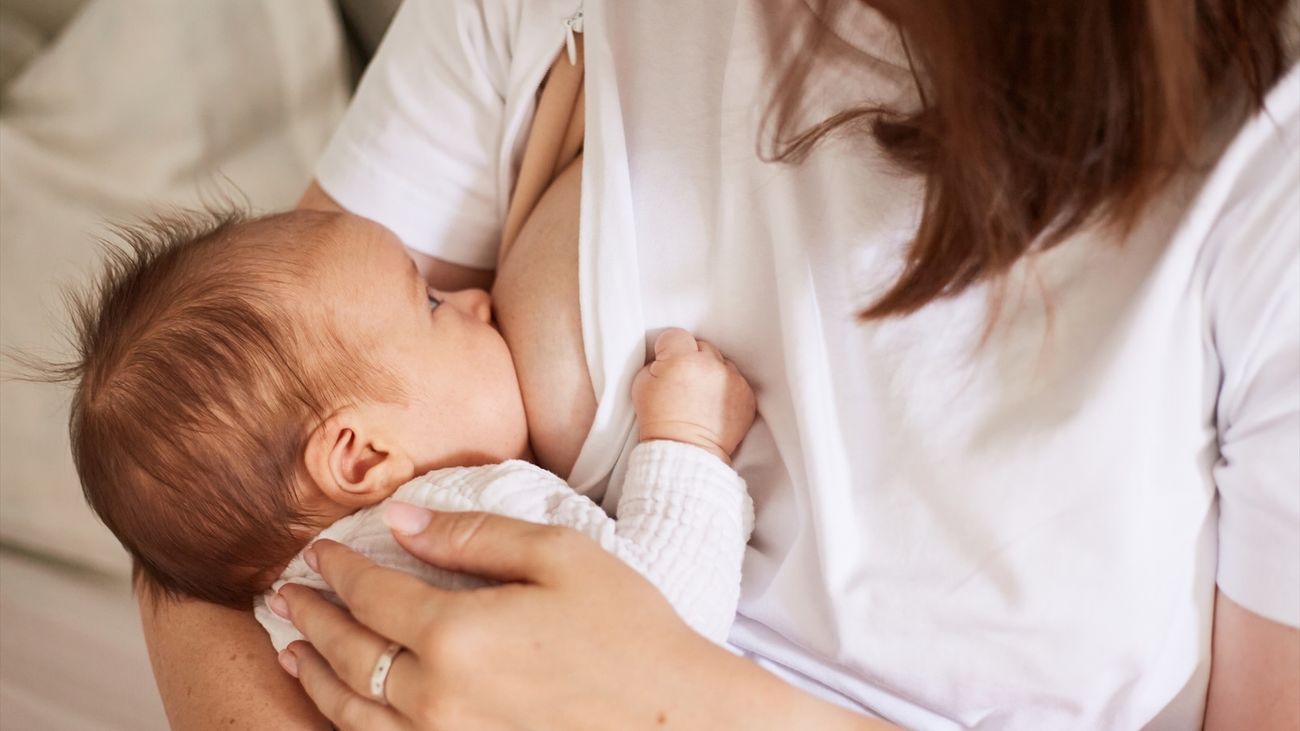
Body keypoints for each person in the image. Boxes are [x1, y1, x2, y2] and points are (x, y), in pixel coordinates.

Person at [136, 1, 1300, 728]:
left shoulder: (1268, 159)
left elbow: (641, 628)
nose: (471, 296)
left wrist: (678, 706)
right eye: (440, 302)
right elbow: (206, 504)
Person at [51, 205, 756, 645]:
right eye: (430, 302)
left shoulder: (289, 617)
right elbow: (665, 628)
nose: (479, 298)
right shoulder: (464, 518)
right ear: (361, 457)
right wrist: (687, 439)